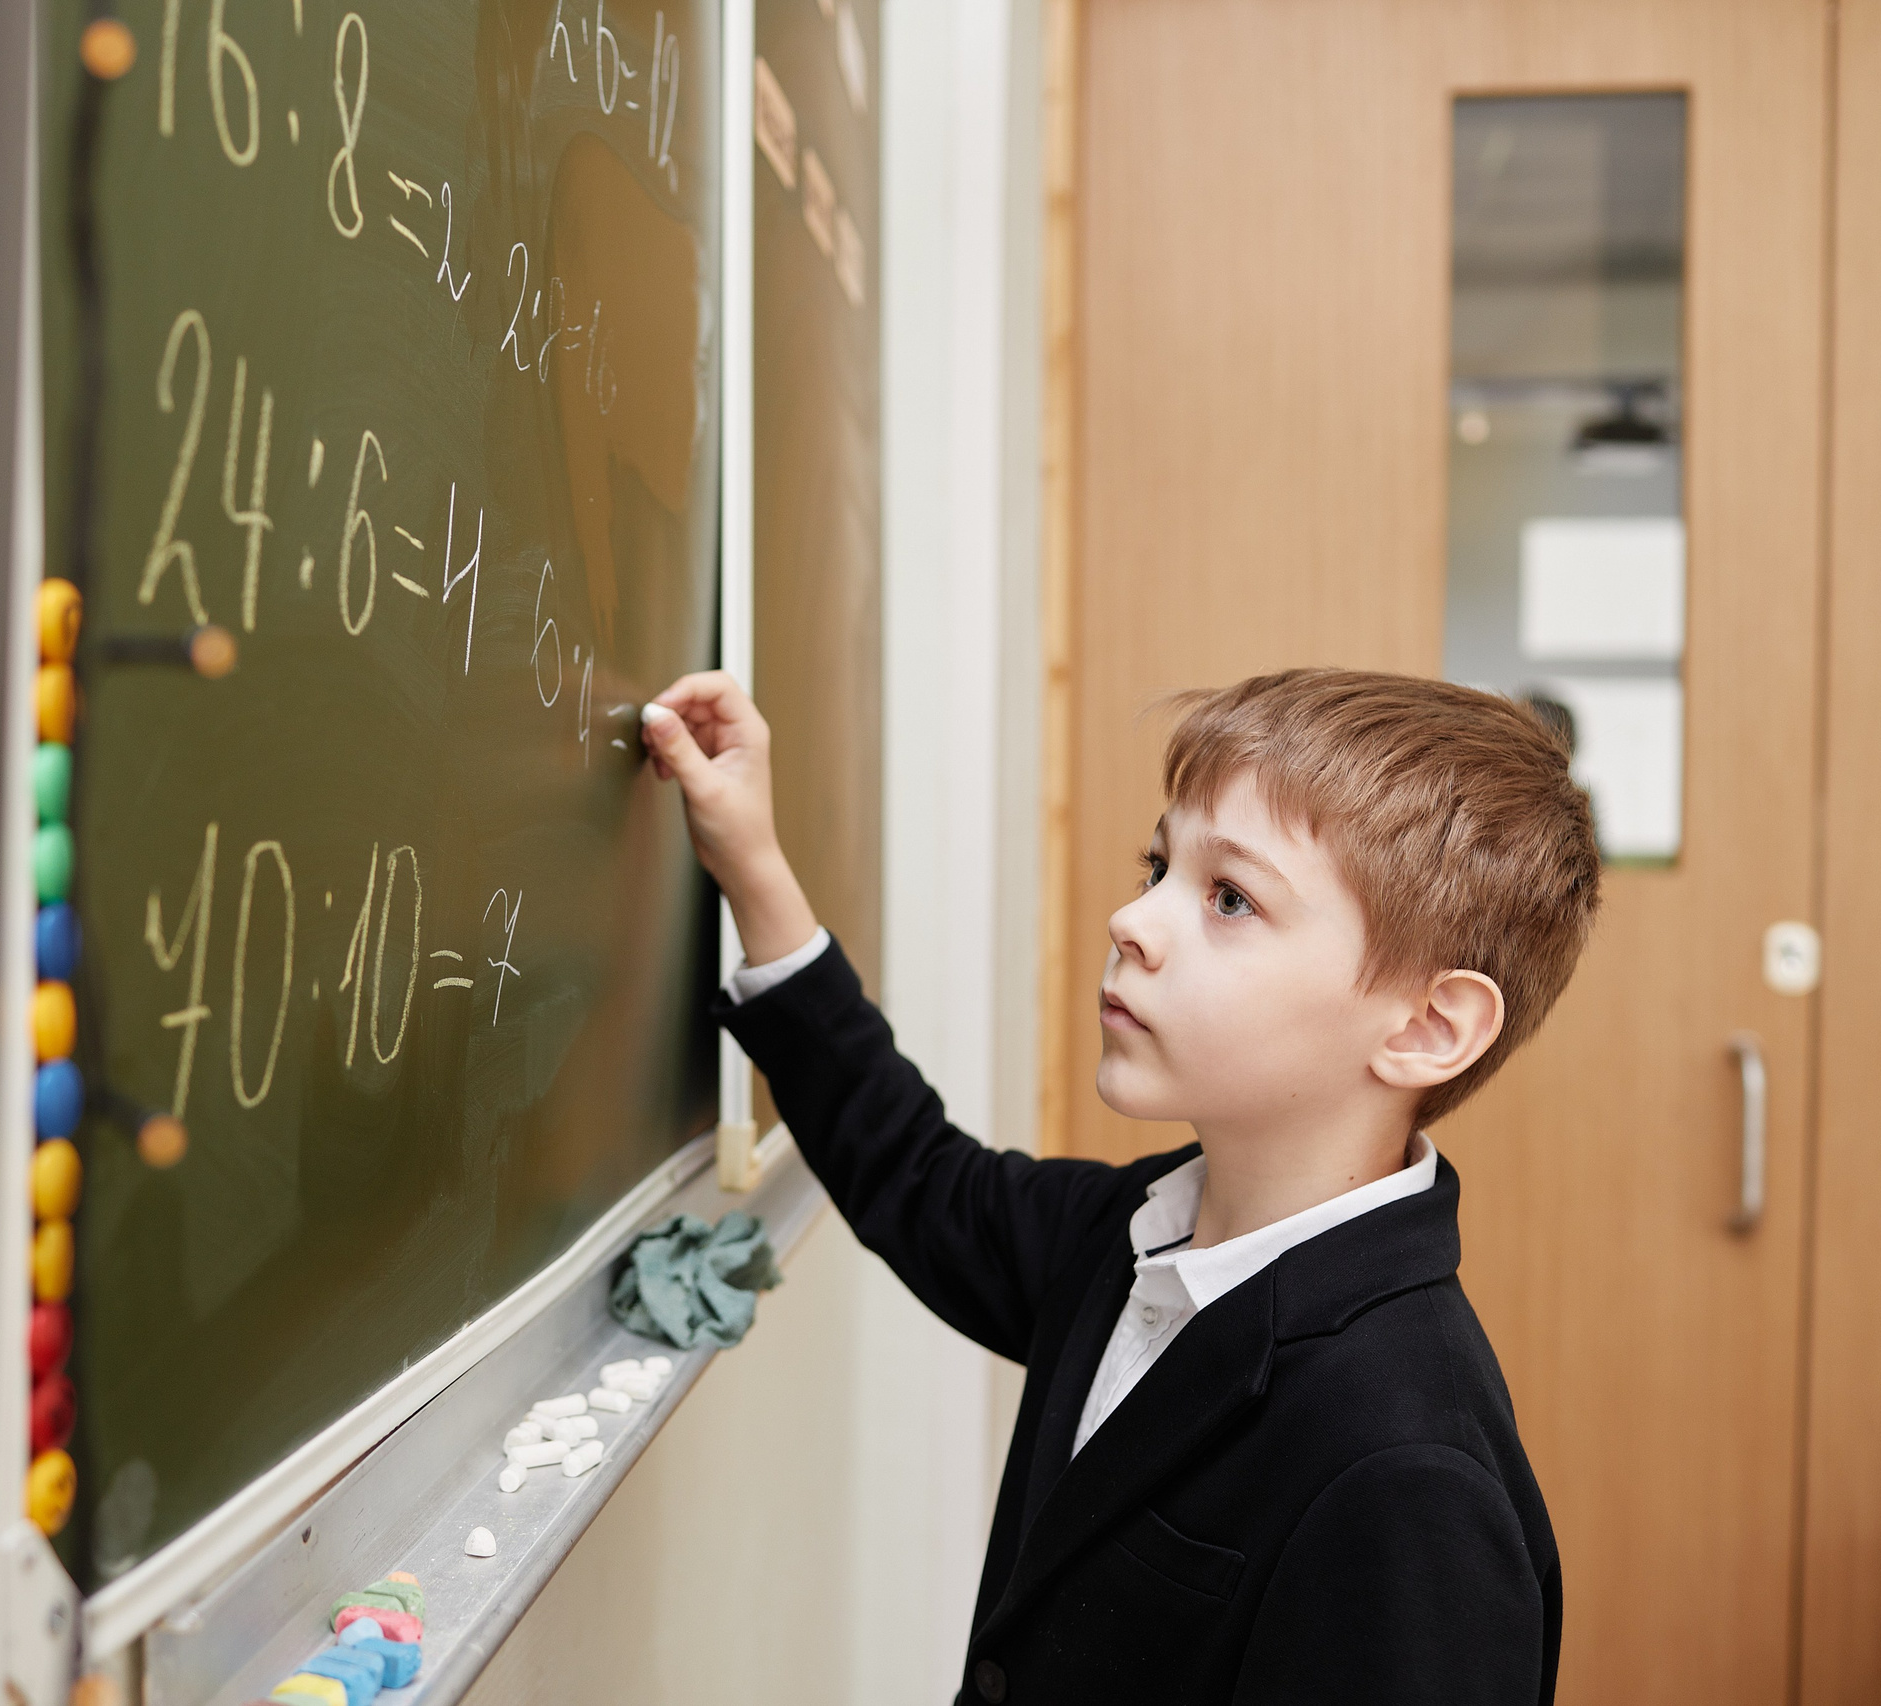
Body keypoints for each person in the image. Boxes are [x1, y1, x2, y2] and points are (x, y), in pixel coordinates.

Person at [637, 666, 1599, 1705]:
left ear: (1425, 1026)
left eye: (1230, 896)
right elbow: (918, 1176)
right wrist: (751, 862)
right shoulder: (1134, 1234)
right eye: (1158, 864)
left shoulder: (1410, 1472)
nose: (1131, 919)